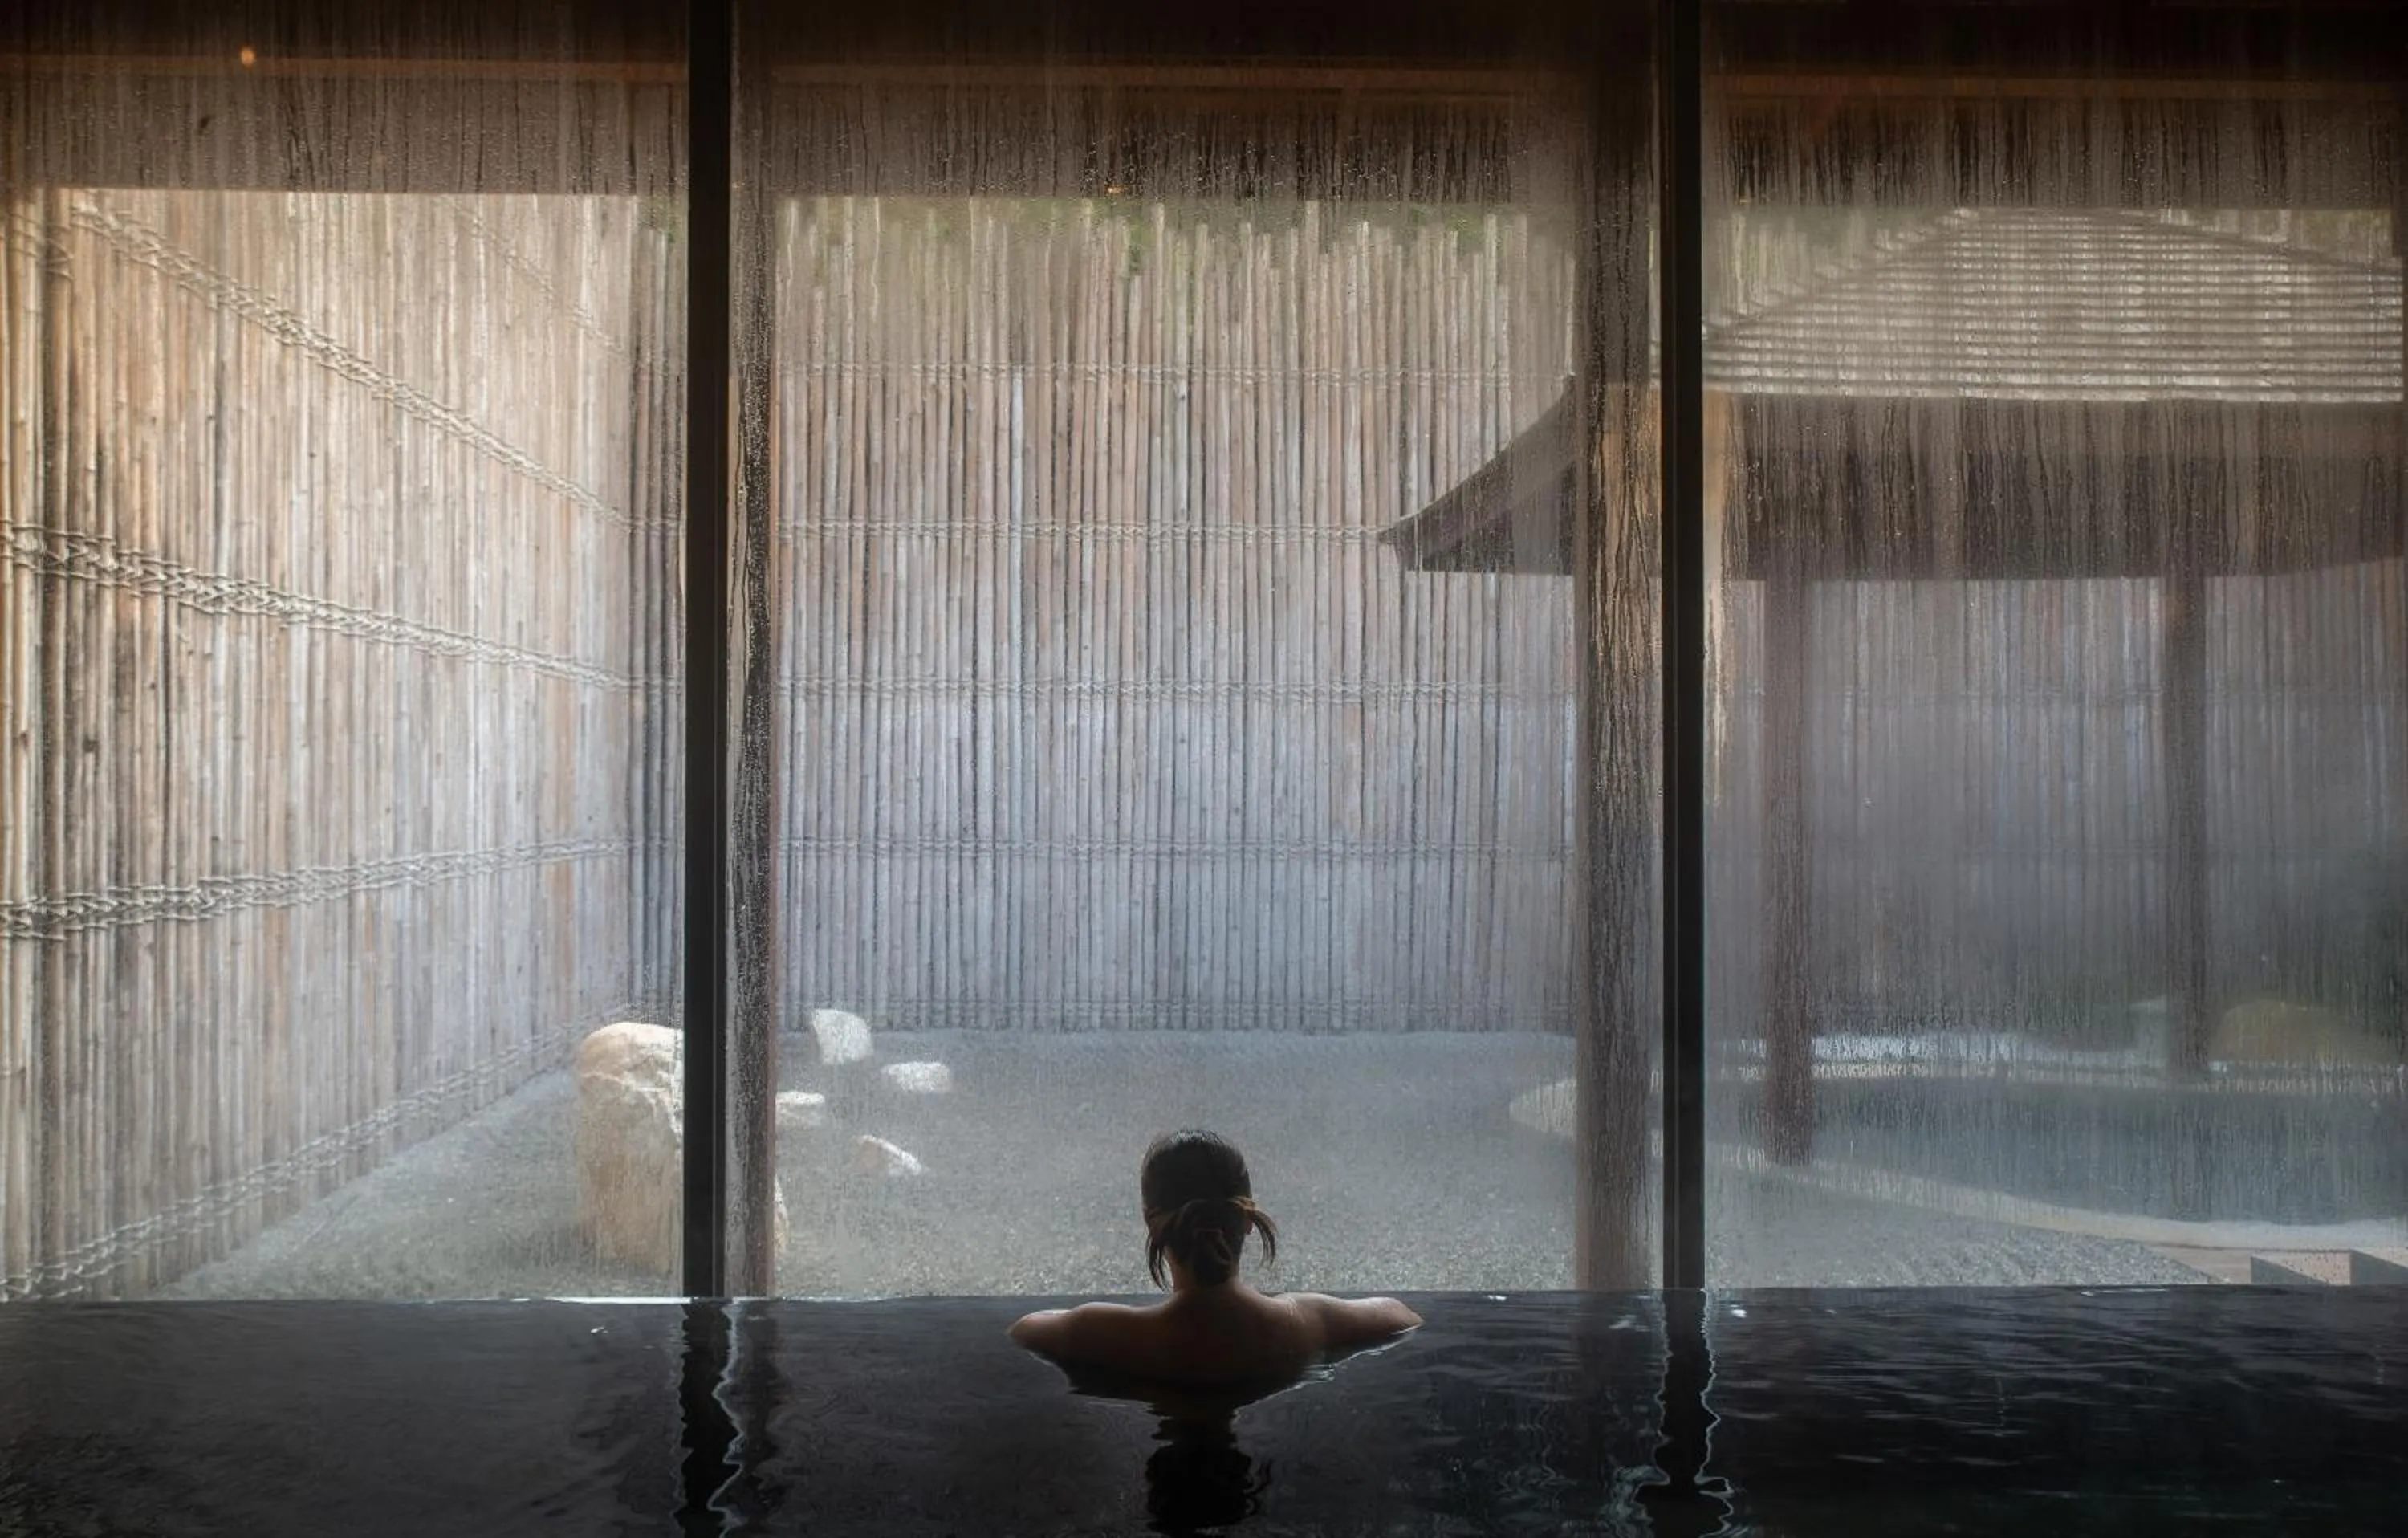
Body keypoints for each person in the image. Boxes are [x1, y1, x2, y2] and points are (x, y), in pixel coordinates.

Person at [1008, 1130, 1421, 1382]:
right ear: (1246, 1219)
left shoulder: (1101, 1332)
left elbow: (1026, 1329)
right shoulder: (1309, 1322)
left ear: (1152, 1222)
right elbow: (1400, 1314)